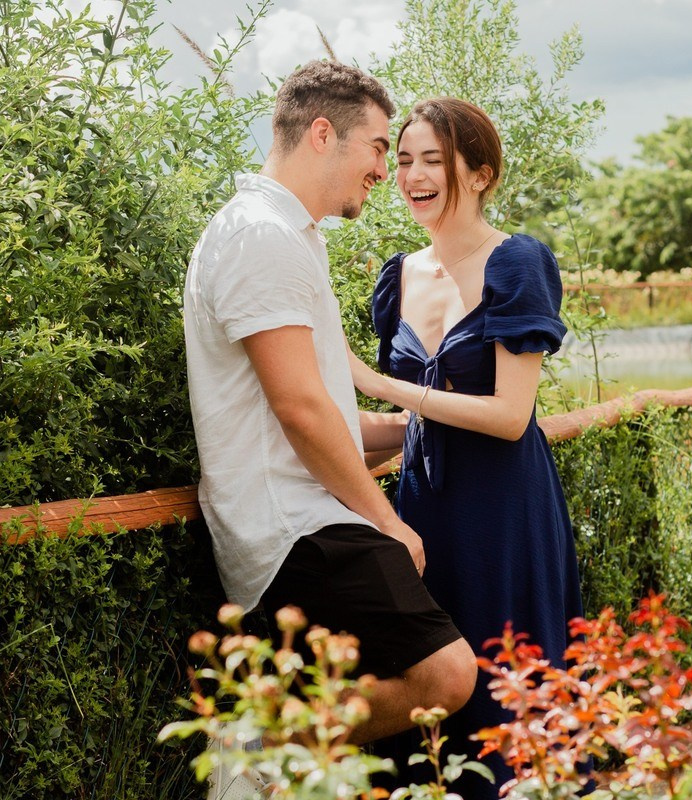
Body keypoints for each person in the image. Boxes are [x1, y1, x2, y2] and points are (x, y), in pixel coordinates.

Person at [183, 65, 476, 798]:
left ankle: (275, 759)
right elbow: (299, 410)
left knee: (396, 690)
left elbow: (325, 410)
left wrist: (417, 431)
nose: (387, 167)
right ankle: (258, 748)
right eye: (379, 146)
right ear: (322, 134)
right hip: (293, 524)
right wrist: (386, 521)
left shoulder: (289, 236)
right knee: (444, 671)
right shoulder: (259, 237)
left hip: (308, 513)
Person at [349, 97, 584, 798]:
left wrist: (382, 386)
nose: (414, 176)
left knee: (506, 694)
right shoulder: (397, 276)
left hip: (505, 512)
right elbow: (416, 424)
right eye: (403, 161)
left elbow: (511, 416)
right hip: (420, 512)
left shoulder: (517, 263)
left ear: (480, 173)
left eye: (433, 161)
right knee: (432, 688)